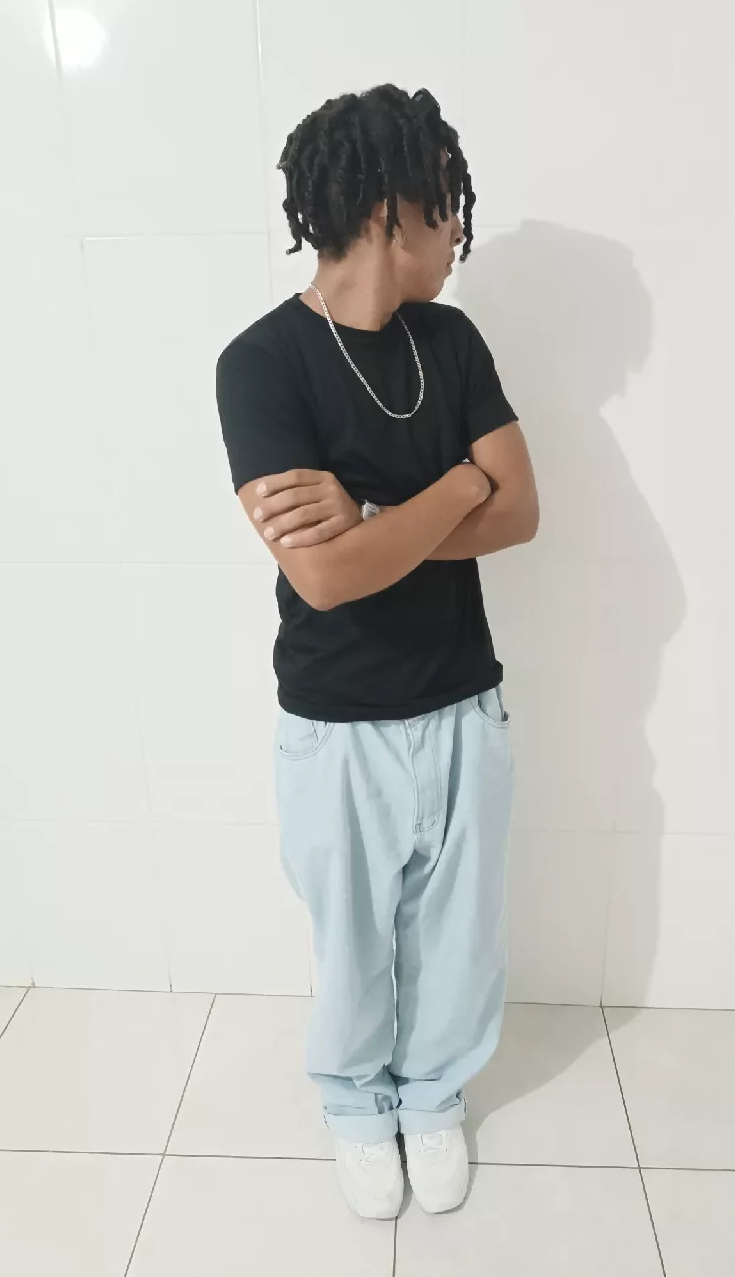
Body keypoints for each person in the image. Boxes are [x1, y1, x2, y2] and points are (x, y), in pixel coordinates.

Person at [215, 84, 538, 1219]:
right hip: (336, 720)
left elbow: (522, 511)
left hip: (463, 703)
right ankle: (357, 1105)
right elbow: (326, 576)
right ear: (394, 212)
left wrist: (373, 513)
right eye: (449, 207)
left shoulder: (452, 342)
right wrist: (454, 484)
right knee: (352, 943)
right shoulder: (261, 364)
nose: (458, 236)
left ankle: (434, 1095)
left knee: (459, 938)